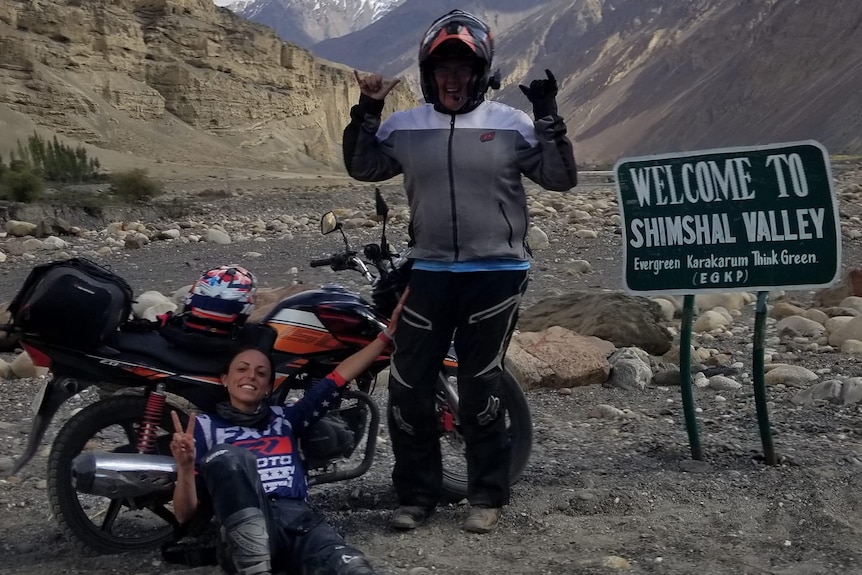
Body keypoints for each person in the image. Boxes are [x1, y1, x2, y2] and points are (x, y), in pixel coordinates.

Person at [342, 9, 578, 534]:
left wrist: (546, 114)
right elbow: (363, 167)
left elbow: (560, 178)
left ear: (481, 73)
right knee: (407, 386)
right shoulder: (406, 126)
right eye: (443, 67)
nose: (453, 77)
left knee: (478, 385)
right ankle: (416, 497)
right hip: (428, 271)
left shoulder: (511, 125)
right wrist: (369, 108)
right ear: (429, 74)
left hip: (496, 273)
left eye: (463, 68)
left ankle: (487, 494)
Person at [169, 293, 408, 575]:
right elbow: (185, 516)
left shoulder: (286, 419)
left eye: (261, 373)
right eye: (242, 369)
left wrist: (386, 336)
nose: (251, 376)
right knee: (227, 457)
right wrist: (185, 467)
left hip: (299, 521)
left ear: (269, 387)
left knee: (356, 569)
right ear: (225, 379)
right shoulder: (204, 428)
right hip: (243, 533)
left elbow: (338, 377)